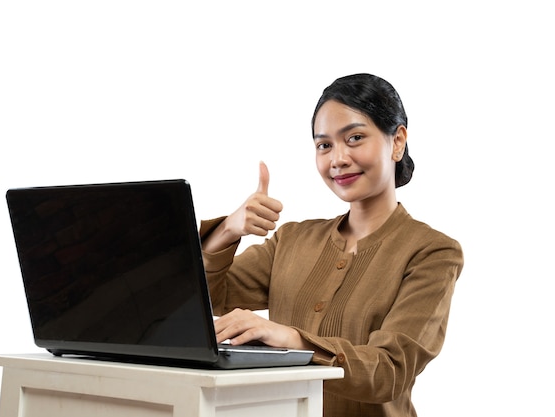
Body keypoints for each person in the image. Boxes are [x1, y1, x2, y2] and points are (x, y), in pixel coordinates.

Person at [199, 73, 464, 417]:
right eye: (324, 145)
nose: (337, 158)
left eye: (354, 138)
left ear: (397, 141)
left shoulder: (432, 251)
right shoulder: (291, 240)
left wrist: (295, 341)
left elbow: (389, 371)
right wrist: (228, 231)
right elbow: (206, 298)